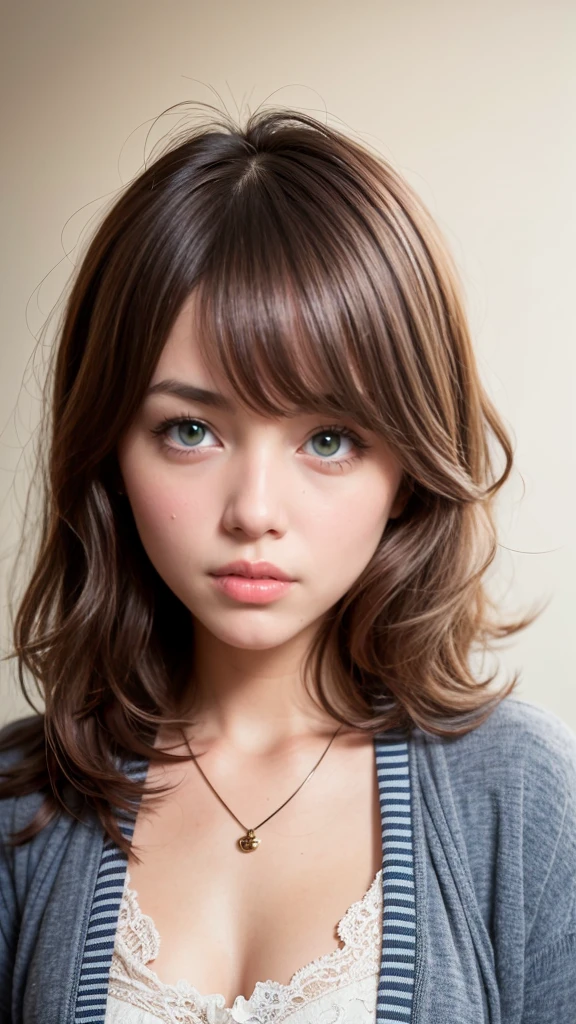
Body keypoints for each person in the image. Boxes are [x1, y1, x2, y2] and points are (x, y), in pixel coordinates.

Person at [0, 105, 575, 1024]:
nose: (254, 511)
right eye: (190, 430)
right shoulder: (20, 809)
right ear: (109, 445)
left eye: (330, 438)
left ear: (409, 465)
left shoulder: (522, 796)